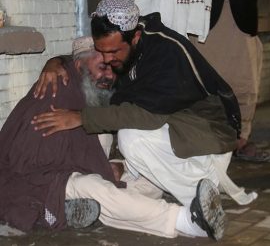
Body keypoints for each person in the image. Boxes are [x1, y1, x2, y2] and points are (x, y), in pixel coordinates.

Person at [33, 0, 258, 207]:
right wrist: (55, 62)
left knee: (131, 137)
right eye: (102, 51)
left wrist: (80, 117)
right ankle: (117, 192)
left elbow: (147, 116)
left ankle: (200, 199)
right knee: (106, 134)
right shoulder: (121, 44)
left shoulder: (166, 51)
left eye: (112, 52)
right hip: (171, 133)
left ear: (136, 37)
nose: (107, 59)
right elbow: (85, 55)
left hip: (207, 136)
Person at [1, 36, 225, 240]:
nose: (109, 76)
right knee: (95, 187)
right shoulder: (54, 88)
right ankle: (188, 221)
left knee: (144, 177)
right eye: (102, 67)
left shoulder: (94, 89)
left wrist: (113, 164)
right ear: (78, 65)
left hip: (85, 166)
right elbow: (32, 160)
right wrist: (97, 170)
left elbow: (101, 135)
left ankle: (85, 208)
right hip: (43, 180)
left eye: (112, 69)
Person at [191, 0, 270, 162]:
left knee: (244, 77)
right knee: (201, 77)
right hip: (204, 10)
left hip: (240, 11)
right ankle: (203, 137)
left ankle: (240, 139)